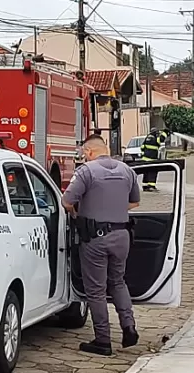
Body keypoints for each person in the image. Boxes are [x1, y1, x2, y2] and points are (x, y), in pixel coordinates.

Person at [61, 134, 140, 356]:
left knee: (96, 290)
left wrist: (78, 212)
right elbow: (135, 201)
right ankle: (129, 327)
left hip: (95, 238)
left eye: (83, 154)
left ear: (89, 152)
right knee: (118, 282)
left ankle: (103, 341)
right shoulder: (127, 170)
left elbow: (66, 201)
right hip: (122, 235)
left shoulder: (86, 172)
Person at [140, 127, 168, 191]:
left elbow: (142, 147)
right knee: (153, 172)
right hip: (152, 159)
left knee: (146, 173)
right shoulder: (155, 138)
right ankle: (151, 186)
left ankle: (145, 186)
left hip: (145, 159)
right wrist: (165, 133)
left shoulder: (147, 138)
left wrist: (143, 155)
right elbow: (161, 140)